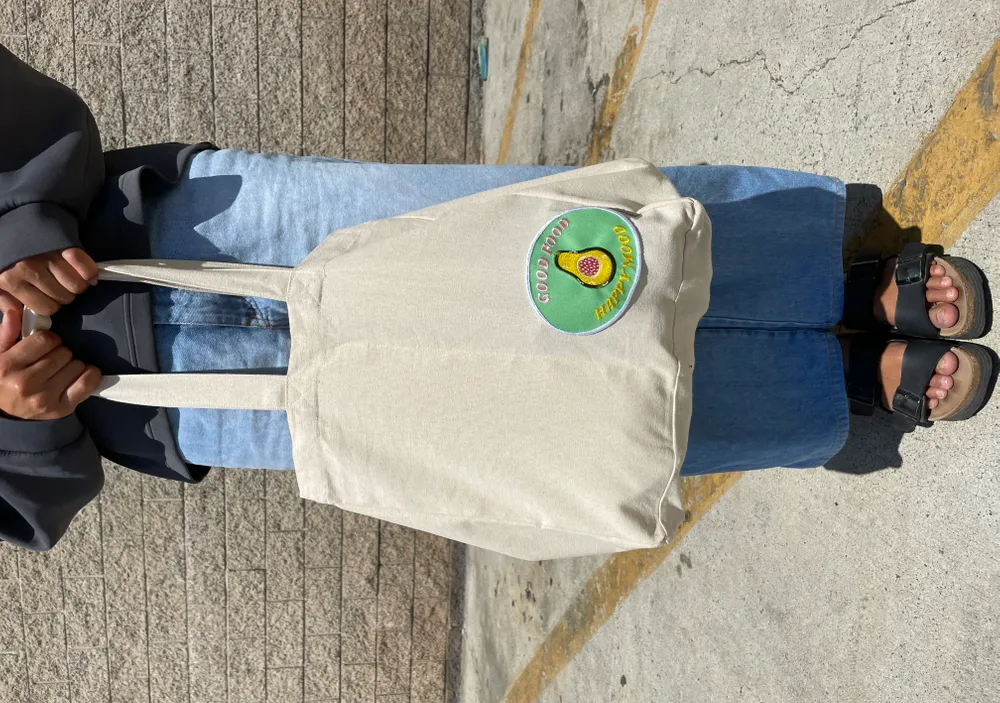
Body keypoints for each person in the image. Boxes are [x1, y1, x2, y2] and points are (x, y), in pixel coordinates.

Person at [0, 45, 993, 551]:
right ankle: (830, 386)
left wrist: (19, 232)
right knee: (536, 422)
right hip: (149, 402)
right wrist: (19, 428)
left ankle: (834, 278)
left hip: (164, 228)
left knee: (540, 242)